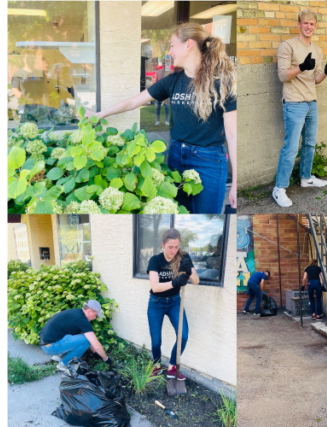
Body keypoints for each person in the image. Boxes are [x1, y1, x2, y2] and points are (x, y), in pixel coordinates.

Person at [92, 23, 237, 213]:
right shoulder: (173, 81)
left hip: (209, 161)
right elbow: (133, 102)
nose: (169, 52)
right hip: (177, 156)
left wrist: (235, 181)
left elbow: (232, 134)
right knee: (180, 212)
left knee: (207, 215)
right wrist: (99, 115)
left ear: (188, 44)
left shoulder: (221, 82)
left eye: (172, 45)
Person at [271, 11, 327, 208]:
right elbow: (282, 75)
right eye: (305, 23)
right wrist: (301, 67)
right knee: (291, 147)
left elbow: (315, 80)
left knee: (310, 144)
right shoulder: (287, 46)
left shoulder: (317, 49)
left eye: (312, 24)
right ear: (299, 24)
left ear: (315, 26)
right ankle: (279, 188)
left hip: (311, 102)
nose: (309, 27)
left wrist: (326, 73)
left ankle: (306, 177)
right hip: (294, 103)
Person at [147, 228, 198, 380]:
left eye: (177, 247)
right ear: (163, 244)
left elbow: (196, 281)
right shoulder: (155, 260)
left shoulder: (183, 257)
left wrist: (189, 272)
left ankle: (172, 367)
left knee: (183, 335)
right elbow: (155, 287)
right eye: (170, 247)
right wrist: (175, 282)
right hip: (156, 303)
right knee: (156, 341)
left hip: (175, 302)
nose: (174, 250)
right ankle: (156, 365)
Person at [39, 301, 114, 375]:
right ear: (90, 311)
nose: (94, 318)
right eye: (95, 315)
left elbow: (86, 339)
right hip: (51, 347)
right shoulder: (82, 321)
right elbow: (95, 345)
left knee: (79, 337)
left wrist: (95, 353)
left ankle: (59, 356)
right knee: (86, 340)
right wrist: (106, 359)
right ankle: (64, 364)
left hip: (45, 343)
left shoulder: (76, 313)